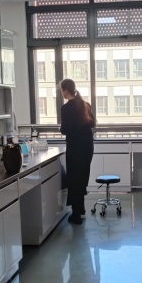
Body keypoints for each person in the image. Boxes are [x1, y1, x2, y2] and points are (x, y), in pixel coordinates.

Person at [60, 78, 95, 225]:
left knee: (74, 180)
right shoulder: (86, 104)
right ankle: (81, 209)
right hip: (87, 146)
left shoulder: (66, 108)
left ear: (65, 91)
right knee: (82, 178)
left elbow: (65, 129)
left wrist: (62, 129)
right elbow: (92, 123)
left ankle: (76, 215)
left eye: (61, 90)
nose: (62, 93)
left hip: (75, 148)